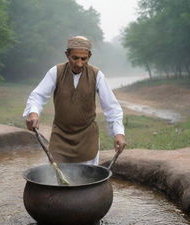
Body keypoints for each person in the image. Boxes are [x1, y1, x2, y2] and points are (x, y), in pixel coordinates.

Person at [23, 36, 126, 165]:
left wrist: (119, 134)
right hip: (60, 136)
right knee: (57, 178)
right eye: (75, 58)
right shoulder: (56, 72)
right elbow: (38, 96)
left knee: (87, 178)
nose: (79, 63)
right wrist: (33, 113)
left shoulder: (97, 75)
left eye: (84, 59)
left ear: (89, 56)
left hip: (87, 138)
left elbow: (112, 107)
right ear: (67, 55)